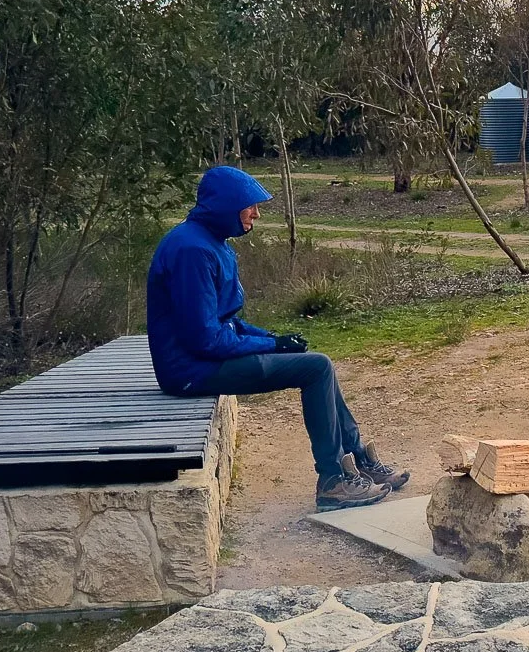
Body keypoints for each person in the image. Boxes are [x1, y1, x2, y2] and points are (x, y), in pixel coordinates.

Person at [147, 165, 409, 512]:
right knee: (316, 369)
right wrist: (271, 346)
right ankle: (332, 481)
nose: (256, 213)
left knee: (318, 366)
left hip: (201, 361)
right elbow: (204, 340)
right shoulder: (192, 251)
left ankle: (358, 460)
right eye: (248, 205)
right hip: (189, 371)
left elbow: (226, 321)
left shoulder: (209, 243)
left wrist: (273, 338)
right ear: (225, 206)